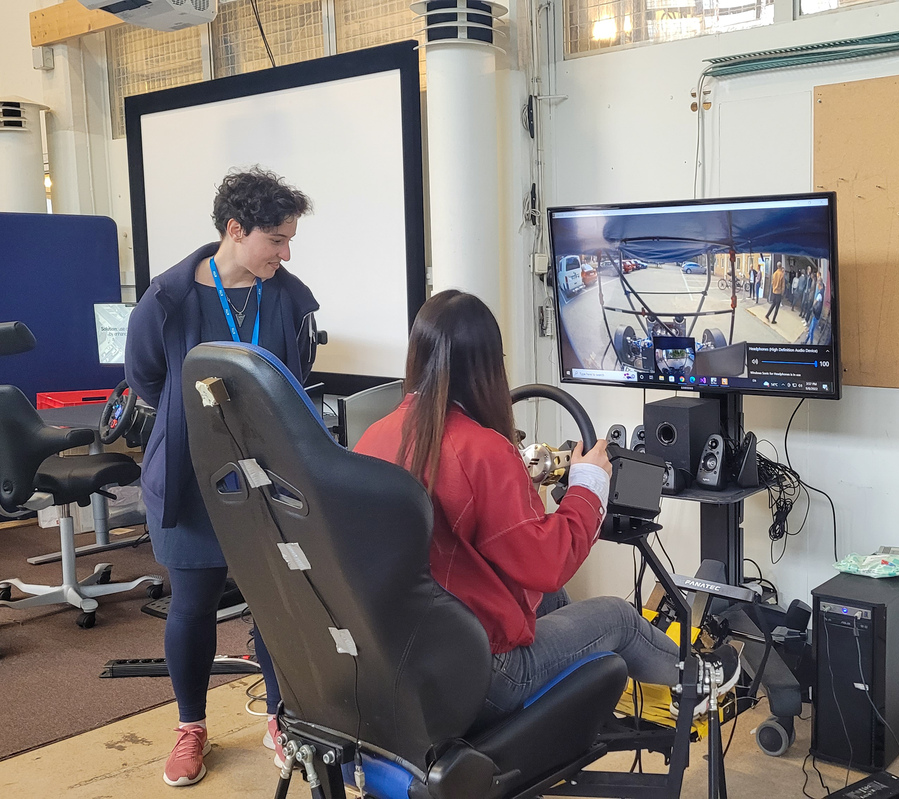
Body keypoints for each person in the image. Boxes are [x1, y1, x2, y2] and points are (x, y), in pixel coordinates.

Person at [354, 290, 736, 725]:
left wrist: (517, 484)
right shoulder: (482, 450)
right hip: (487, 675)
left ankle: (574, 704)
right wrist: (588, 485)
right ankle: (703, 679)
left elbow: (455, 526)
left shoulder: (376, 436)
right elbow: (547, 562)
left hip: (413, 662)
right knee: (618, 617)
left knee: (552, 599)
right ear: (487, 366)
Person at [125, 167, 320, 787]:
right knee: (193, 604)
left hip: (268, 474)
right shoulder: (168, 299)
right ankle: (191, 727)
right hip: (190, 472)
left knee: (274, 603)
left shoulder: (287, 295)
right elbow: (147, 380)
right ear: (235, 231)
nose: (285, 253)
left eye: (289, 240)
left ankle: (281, 716)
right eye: (276, 241)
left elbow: (294, 374)